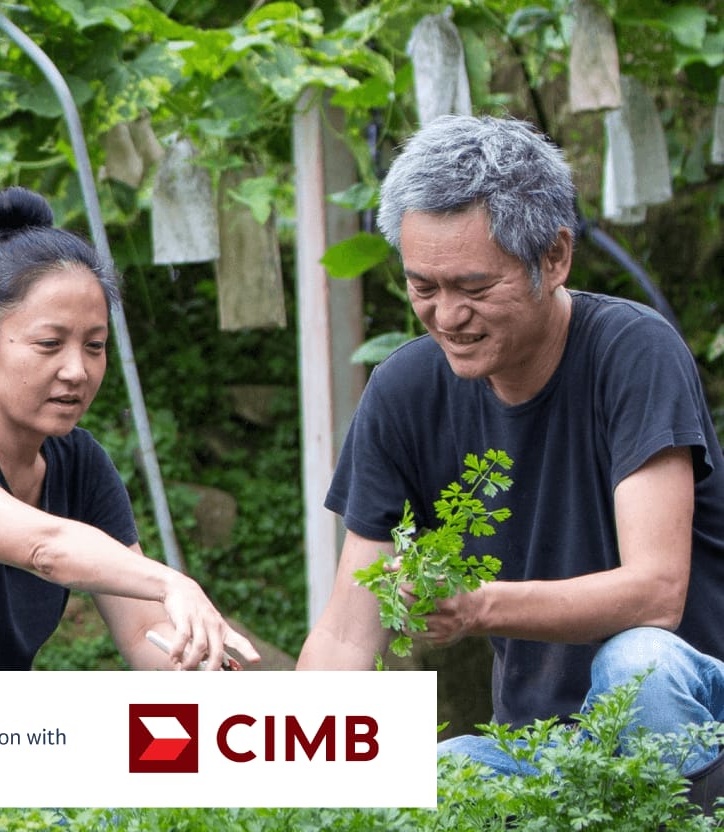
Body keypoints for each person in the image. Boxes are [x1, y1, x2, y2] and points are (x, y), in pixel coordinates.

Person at [296, 115, 724, 780]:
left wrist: (476, 603)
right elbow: (347, 634)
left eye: (473, 287)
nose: (445, 314)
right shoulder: (403, 391)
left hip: (692, 718)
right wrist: (286, 783)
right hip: (539, 750)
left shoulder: (633, 351)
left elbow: (656, 593)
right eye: (422, 286)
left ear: (552, 258)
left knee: (636, 661)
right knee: (441, 774)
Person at [0, 186, 259, 671]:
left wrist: (201, 666)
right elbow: (45, 547)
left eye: (95, 346)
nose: (77, 370)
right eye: (49, 343)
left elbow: (145, 631)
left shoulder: (79, 464)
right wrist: (172, 583)